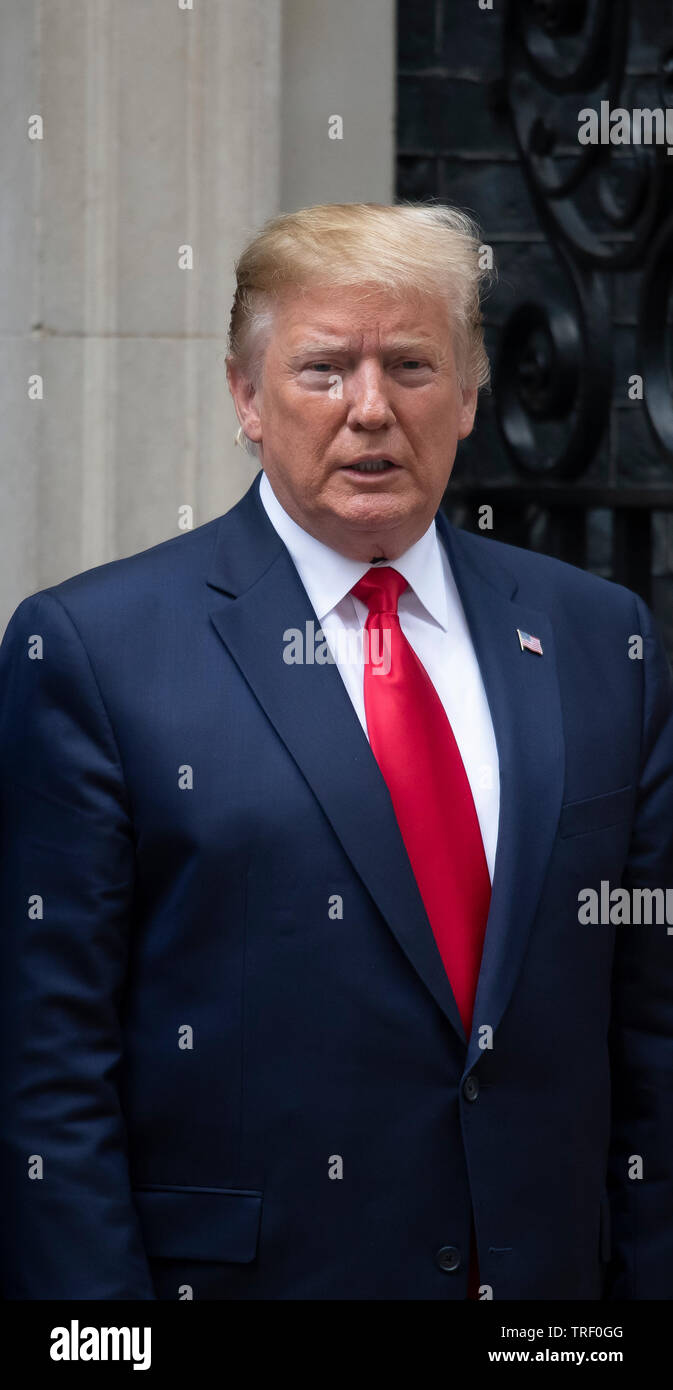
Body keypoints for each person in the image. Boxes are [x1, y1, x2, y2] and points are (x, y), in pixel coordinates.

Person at [1, 202, 672, 1301]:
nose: (370, 410)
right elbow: (45, 1072)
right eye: (323, 369)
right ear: (245, 397)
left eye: (410, 363)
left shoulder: (604, 640)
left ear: (468, 395)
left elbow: (651, 1035)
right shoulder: (94, 650)